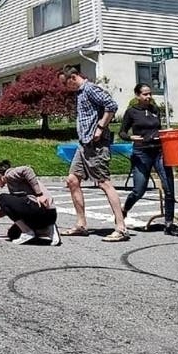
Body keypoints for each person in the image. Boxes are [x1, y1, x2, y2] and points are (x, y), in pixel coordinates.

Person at [58, 66, 129, 242]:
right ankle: (81, 225)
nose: (66, 87)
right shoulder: (80, 93)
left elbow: (111, 105)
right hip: (83, 145)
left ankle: (121, 228)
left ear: (73, 77)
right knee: (72, 180)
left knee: (104, 183)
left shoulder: (90, 89)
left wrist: (100, 127)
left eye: (66, 83)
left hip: (96, 145)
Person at [119, 83, 178, 235]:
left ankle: (169, 224)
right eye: (145, 94)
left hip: (159, 151)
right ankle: (124, 209)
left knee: (169, 188)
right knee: (139, 190)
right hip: (141, 153)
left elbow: (157, 128)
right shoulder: (131, 112)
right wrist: (130, 137)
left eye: (150, 94)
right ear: (137, 96)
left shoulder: (155, 110)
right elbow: (122, 132)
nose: (148, 97)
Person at [0, 160, 61, 245]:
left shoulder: (9, 174)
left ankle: (28, 232)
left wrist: (39, 194)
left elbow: (27, 170)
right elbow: (11, 207)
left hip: (43, 211)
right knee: (13, 234)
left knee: (2, 198)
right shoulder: (12, 183)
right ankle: (47, 229)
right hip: (46, 215)